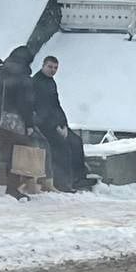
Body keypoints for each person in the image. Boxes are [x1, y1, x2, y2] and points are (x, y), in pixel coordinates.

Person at [31, 56, 91, 192]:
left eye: (55, 68)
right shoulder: (37, 82)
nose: (53, 70)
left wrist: (63, 124)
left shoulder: (50, 82)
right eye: (50, 67)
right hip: (44, 124)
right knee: (62, 148)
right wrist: (56, 126)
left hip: (56, 122)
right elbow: (42, 108)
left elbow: (56, 105)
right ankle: (63, 182)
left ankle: (79, 177)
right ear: (43, 66)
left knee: (76, 141)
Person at [0, 46, 38, 201]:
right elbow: (25, 103)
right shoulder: (22, 78)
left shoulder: (0, 74)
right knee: (18, 154)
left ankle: (13, 187)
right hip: (16, 121)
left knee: (9, 153)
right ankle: (13, 189)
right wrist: (29, 124)